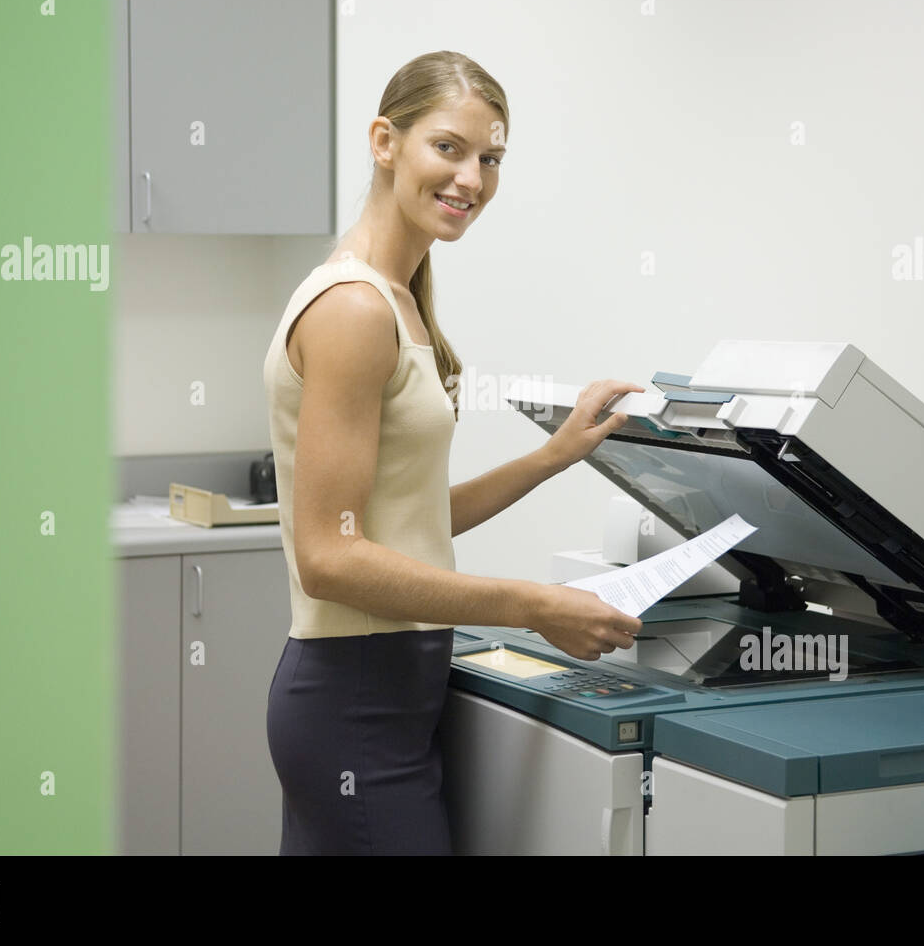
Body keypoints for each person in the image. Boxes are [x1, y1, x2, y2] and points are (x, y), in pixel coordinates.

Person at [262, 50, 643, 855]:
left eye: (491, 158)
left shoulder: (401, 298)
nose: (472, 178)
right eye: (450, 147)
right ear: (384, 141)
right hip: (354, 704)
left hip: (378, 696)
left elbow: (407, 519)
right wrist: (530, 604)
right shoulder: (356, 309)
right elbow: (329, 556)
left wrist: (556, 455)